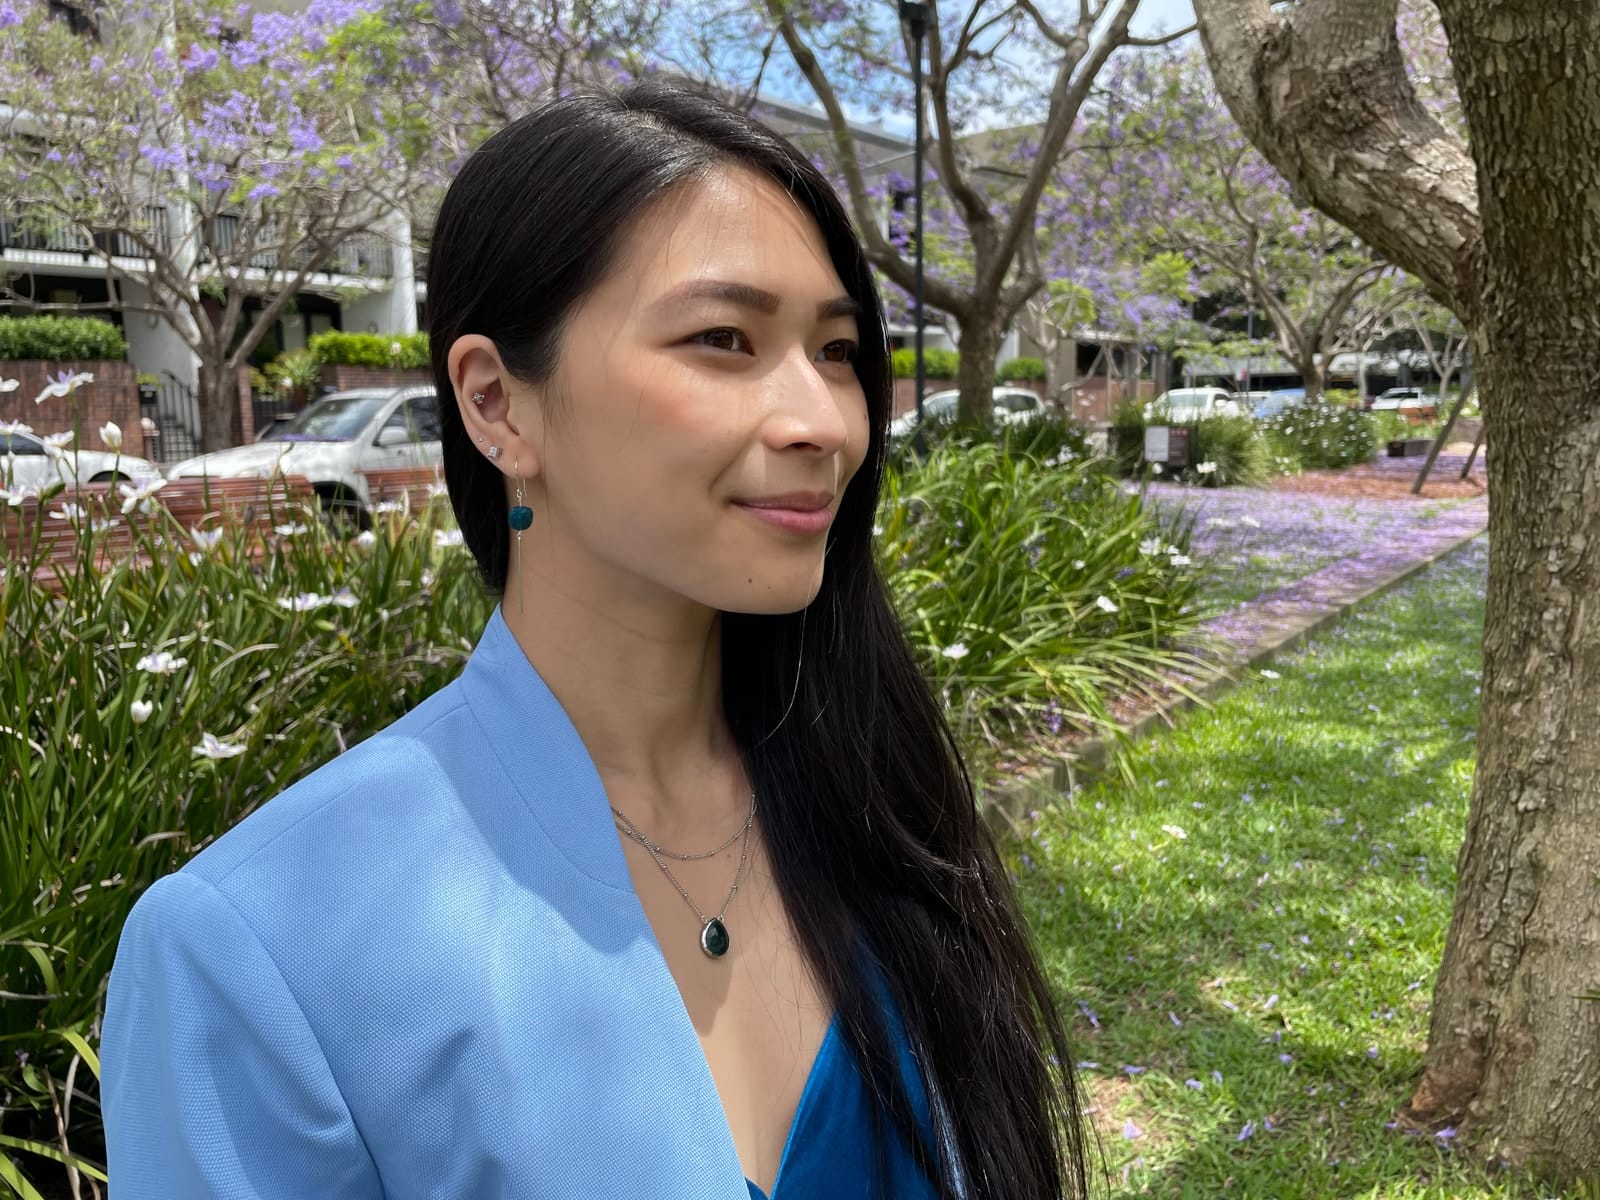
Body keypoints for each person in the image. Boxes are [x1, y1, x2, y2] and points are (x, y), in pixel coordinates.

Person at [100, 80, 1088, 1200]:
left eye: (838, 349)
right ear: (496, 406)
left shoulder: (875, 803)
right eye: (724, 338)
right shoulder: (254, 951)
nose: (823, 420)